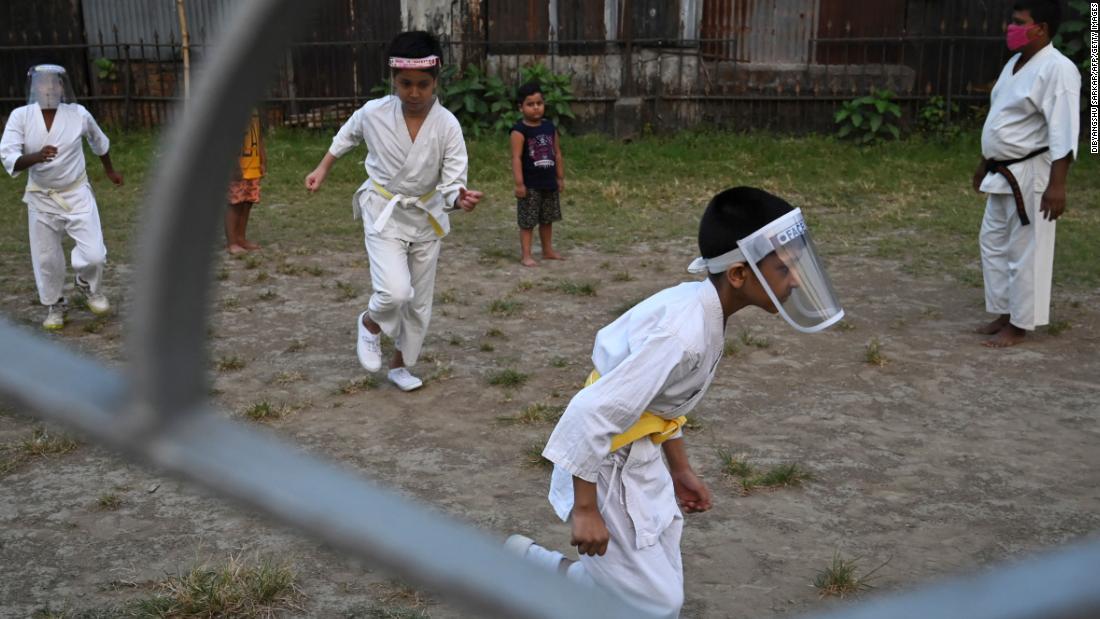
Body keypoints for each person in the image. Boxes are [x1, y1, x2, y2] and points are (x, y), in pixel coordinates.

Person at [506, 187, 845, 618]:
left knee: (661, 549)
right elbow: (589, 412)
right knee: (659, 603)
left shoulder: (709, 314)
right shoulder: (682, 334)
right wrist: (586, 510)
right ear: (739, 274)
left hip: (639, 455)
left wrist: (680, 468)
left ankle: (536, 567)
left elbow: (662, 405)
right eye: (784, 268)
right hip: (603, 464)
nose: (795, 279)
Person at [304, 31, 482, 392]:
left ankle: (401, 364)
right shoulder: (374, 113)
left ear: (436, 80)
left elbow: (452, 181)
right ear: (393, 80)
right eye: (405, 84)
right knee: (396, 293)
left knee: (419, 303)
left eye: (422, 85)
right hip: (383, 207)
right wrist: (323, 168)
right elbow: (347, 136)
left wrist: (458, 200)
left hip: (428, 215)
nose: (413, 93)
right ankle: (371, 323)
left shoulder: (447, 125)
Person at [972, 0, 1080, 348]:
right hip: (1002, 171)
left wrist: (1057, 184)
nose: (1010, 27)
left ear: (1042, 28)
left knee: (1025, 250)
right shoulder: (1015, 64)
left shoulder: (1059, 69)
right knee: (993, 243)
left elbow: (1066, 128)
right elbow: (1001, 119)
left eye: (1019, 22)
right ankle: (1005, 311)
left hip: (1033, 174)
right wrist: (984, 161)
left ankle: (1020, 324)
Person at [1, 63, 123, 330]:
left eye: (55, 83)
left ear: (62, 87)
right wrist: (36, 156)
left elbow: (99, 142)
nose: (50, 88)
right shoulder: (20, 116)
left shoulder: (78, 114)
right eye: (43, 83)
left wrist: (110, 171)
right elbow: (8, 155)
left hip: (76, 192)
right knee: (46, 258)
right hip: (41, 198)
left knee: (94, 256)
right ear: (34, 87)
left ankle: (86, 284)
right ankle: (55, 303)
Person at [510, 81, 564, 267]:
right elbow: (516, 158)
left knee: (547, 219)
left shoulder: (549, 127)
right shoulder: (519, 131)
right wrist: (519, 183)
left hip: (548, 182)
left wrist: (560, 177)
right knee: (528, 222)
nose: (535, 108)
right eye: (530, 104)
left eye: (539, 103)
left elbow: (557, 153)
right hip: (530, 185)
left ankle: (547, 250)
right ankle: (526, 254)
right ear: (521, 107)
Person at [226, 108, 266, 255]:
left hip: (252, 165)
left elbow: (259, 136)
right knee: (235, 203)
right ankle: (232, 242)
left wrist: (262, 159)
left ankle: (241, 238)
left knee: (247, 203)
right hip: (238, 167)